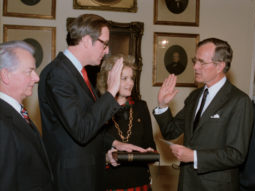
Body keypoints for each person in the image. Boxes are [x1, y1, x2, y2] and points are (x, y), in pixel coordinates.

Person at [38, 14, 146, 191]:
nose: (107, 50)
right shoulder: (58, 74)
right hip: (73, 179)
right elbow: (81, 130)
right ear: (87, 40)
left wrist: (116, 144)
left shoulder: (78, 73)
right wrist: (111, 91)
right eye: (104, 44)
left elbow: (90, 122)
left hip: (88, 174)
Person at [153, 37, 253, 191]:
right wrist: (163, 105)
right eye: (195, 61)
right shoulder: (194, 96)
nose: (195, 67)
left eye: (201, 62)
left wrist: (195, 157)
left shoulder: (239, 101)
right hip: (186, 184)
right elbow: (170, 132)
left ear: (219, 66)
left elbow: (236, 154)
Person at [97, 54, 156, 191]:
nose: (130, 83)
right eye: (124, 78)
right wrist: (106, 157)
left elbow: (150, 144)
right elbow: (91, 152)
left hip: (139, 182)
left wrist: (149, 153)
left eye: (131, 78)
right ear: (108, 80)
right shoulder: (98, 109)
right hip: (109, 183)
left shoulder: (141, 107)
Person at [0, 40, 54, 190]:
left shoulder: (17, 112)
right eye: (29, 71)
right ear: (6, 75)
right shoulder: (2, 122)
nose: (36, 78)